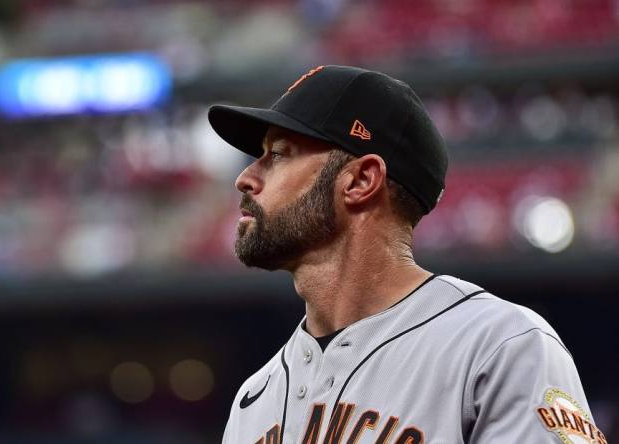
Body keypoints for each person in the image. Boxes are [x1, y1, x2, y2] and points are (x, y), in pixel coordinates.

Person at [207, 66, 603, 444]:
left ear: (361, 181)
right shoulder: (255, 397)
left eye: (278, 153)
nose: (246, 177)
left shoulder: (498, 346)